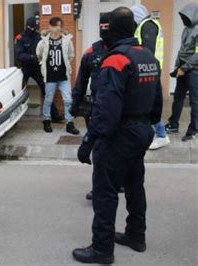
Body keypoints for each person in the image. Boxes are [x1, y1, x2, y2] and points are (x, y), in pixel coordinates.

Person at [73, 7, 162, 264]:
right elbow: (157, 103)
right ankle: (136, 235)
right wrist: (147, 124)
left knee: (104, 191)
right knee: (135, 185)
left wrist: (89, 141)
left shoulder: (116, 60)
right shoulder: (148, 57)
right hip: (142, 131)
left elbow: (106, 110)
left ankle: (101, 249)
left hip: (119, 134)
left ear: (111, 29)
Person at [70, 12, 111, 201]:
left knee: (114, 149)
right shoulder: (91, 52)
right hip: (97, 110)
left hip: (121, 111)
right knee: (101, 150)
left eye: (107, 26)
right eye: (102, 26)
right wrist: (74, 106)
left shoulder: (125, 51)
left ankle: (115, 182)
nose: (105, 30)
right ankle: (100, 188)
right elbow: (81, 81)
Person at [131, 4, 170, 149]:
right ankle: (154, 133)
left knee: (149, 103)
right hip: (151, 69)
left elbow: (147, 51)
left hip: (149, 70)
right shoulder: (146, 25)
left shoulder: (147, 26)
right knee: (147, 102)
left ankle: (161, 135)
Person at [36, 17, 80, 135]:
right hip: (50, 77)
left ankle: (69, 123)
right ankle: (46, 120)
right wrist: (43, 65)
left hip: (63, 77)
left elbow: (71, 55)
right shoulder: (43, 41)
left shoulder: (66, 40)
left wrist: (64, 65)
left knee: (68, 99)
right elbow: (39, 54)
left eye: (59, 26)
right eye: (55, 26)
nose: (57, 28)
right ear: (50, 27)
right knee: (48, 100)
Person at [14, 15, 62, 122]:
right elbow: (19, 55)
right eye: (33, 27)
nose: (35, 29)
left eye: (36, 27)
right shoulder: (20, 38)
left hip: (37, 68)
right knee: (18, 92)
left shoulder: (38, 36)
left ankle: (54, 116)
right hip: (25, 68)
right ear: (28, 27)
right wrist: (32, 57)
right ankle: (14, 119)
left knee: (46, 90)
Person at [166, 3, 198, 142]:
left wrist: (184, 67)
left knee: (194, 100)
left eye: (186, 16)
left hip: (194, 69)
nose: (183, 19)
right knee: (178, 97)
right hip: (182, 68)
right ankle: (173, 124)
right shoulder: (186, 29)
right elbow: (182, 49)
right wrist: (177, 65)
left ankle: (193, 130)